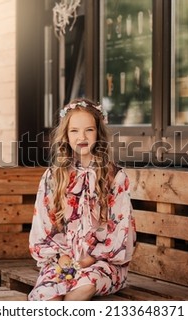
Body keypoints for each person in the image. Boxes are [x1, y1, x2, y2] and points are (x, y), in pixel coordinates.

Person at [28, 97, 136, 301]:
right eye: (74, 131)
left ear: (98, 132)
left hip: (103, 264)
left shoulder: (116, 177)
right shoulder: (54, 176)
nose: (82, 137)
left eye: (89, 129)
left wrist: (89, 259)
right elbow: (44, 225)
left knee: (81, 289)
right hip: (63, 261)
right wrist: (63, 258)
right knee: (47, 297)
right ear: (66, 135)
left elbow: (120, 229)